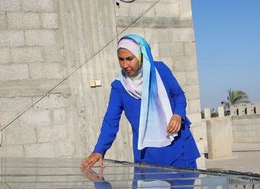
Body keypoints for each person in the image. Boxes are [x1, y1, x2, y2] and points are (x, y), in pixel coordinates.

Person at [81, 34, 200, 170]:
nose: (125, 65)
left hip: (178, 147)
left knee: (185, 187)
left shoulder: (160, 71)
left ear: (141, 56)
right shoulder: (119, 86)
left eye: (130, 59)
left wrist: (178, 115)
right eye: (121, 59)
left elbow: (179, 95)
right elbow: (111, 120)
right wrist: (99, 150)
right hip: (148, 154)